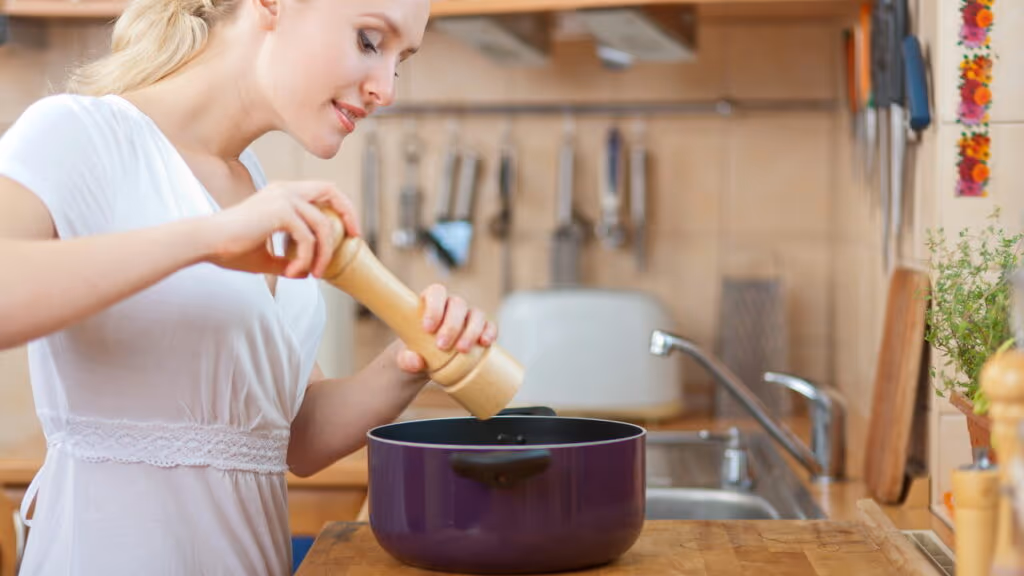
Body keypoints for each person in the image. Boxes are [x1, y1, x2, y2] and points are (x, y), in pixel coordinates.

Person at [0, 0, 498, 573]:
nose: (385, 89)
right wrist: (209, 237)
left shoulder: (254, 188)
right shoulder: (78, 133)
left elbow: (292, 437)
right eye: (368, 41)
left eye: (399, 62)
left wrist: (410, 361)